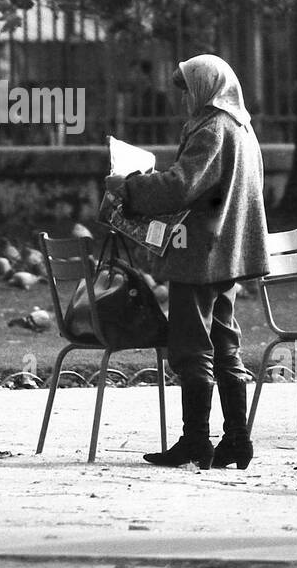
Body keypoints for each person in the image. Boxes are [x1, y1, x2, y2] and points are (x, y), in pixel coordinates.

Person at [104, 55, 269, 470]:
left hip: (200, 254)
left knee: (192, 346)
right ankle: (236, 440)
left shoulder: (213, 129)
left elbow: (182, 186)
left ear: (205, 88)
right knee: (224, 344)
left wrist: (130, 187)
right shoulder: (242, 128)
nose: (183, 100)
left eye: (186, 90)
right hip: (226, 254)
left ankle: (196, 440)